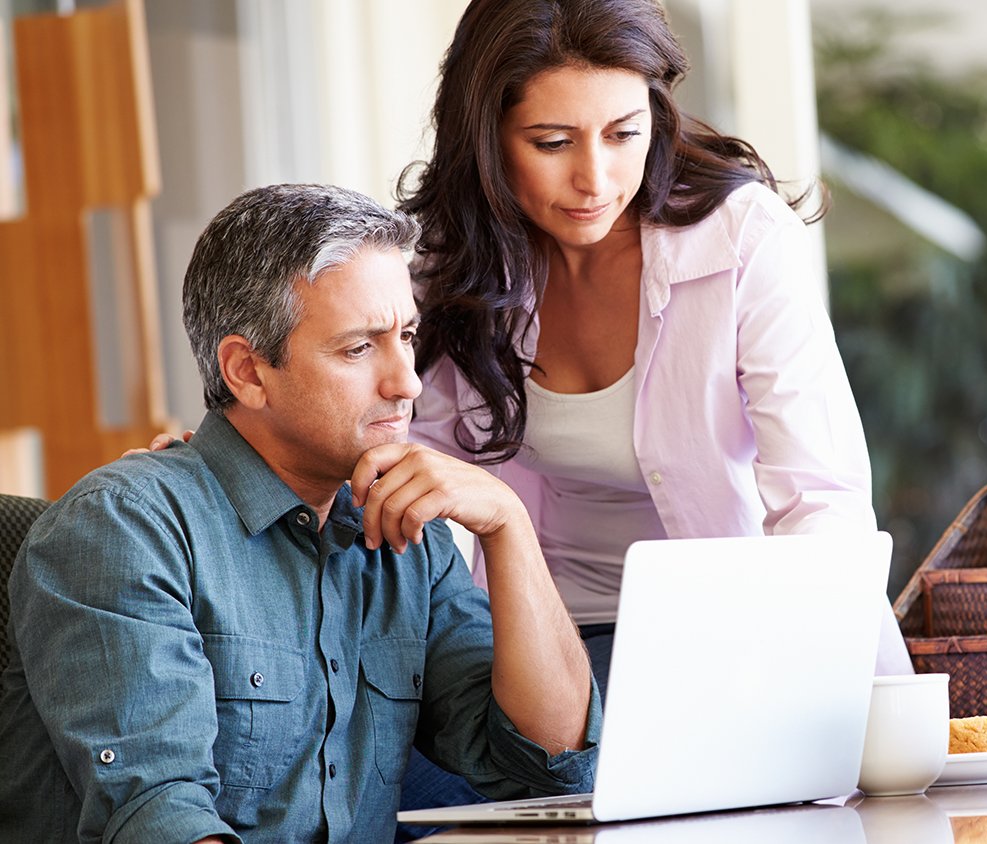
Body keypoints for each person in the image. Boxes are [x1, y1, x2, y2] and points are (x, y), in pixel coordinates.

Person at [0, 184, 600, 843]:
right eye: (358, 349)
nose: (408, 382)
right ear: (248, 372)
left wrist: (507, 526)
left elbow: (552, 767)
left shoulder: (407, 533)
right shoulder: (126, 529)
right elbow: (159, 820)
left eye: (406, 336)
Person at [399, 0, 911, 689]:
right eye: (552, 143)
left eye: (623, 133)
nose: (595, 179)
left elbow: (820, 498)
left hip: (730, 641)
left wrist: (826, 692)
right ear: (487, 139)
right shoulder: (451, 265)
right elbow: (417, 465)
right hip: (538, 648)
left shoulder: (740, 240)